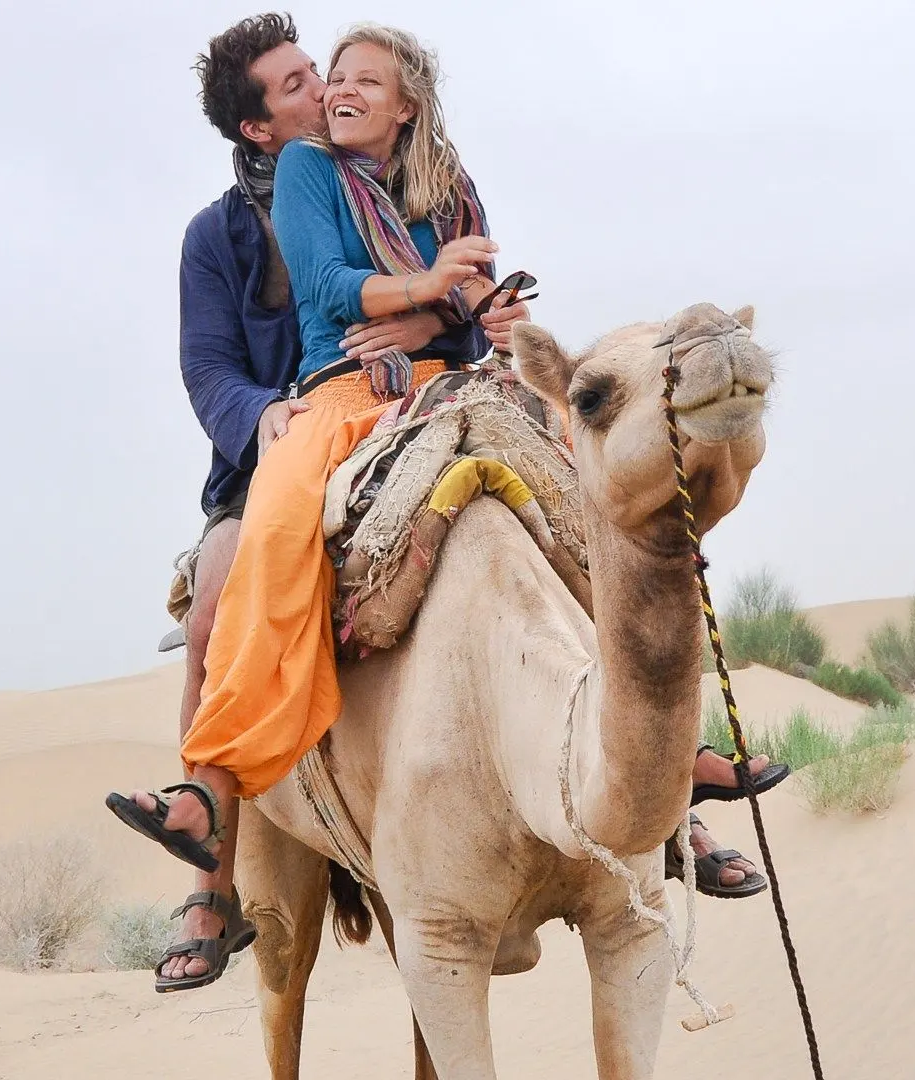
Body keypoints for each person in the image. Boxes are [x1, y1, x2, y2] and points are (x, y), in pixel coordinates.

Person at [112, 16, 788, 993]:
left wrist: (483, 314)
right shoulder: (225, 233)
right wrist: (265, 417)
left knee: (577, 503)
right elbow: (218, 360)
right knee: (226, 585)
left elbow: (460, 305)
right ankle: (212, 847)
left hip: (441, 389)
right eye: (300, 83)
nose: (322, 90)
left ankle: (658, 780)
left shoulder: (422, 175)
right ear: (261, 127)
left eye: (330, 74)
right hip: (280, 432)